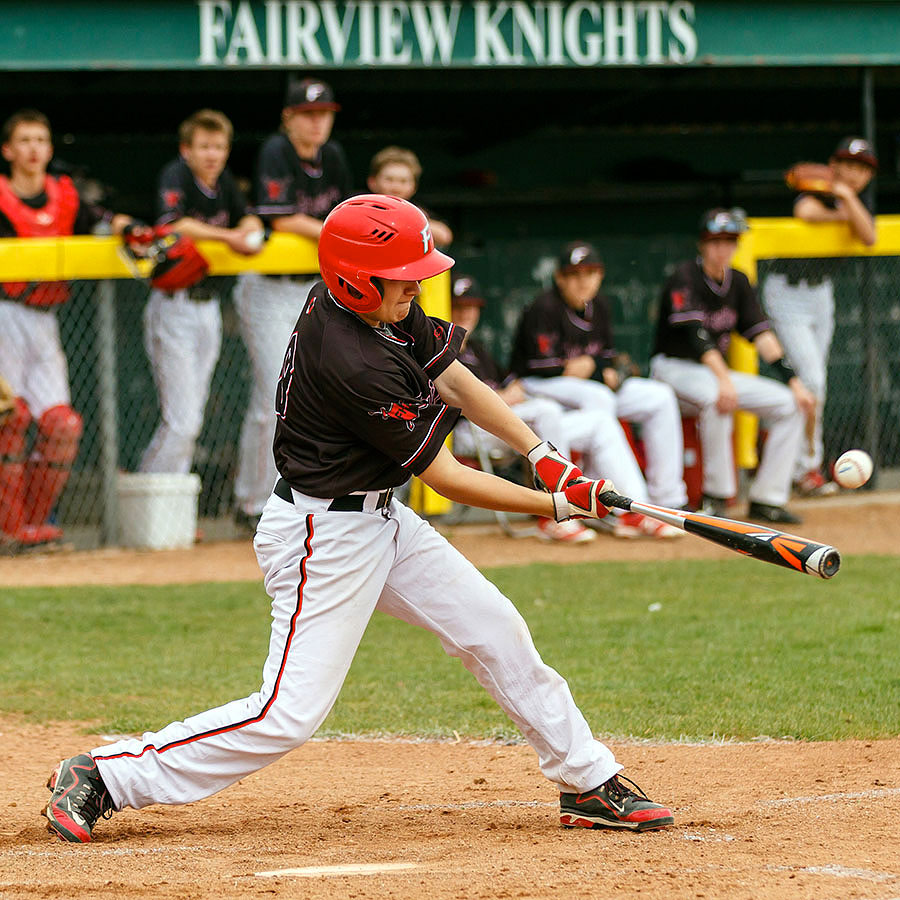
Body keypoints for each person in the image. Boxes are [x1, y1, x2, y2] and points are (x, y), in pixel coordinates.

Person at [42, 195, 673, 844]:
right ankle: (106, 774)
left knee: (496, 629)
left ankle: (587, 780)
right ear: (358, 277)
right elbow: (448, 477)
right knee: (287, 715)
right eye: (406, 274)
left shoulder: (377, 305)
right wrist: (558, 504)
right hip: (324, 536)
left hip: (379, 519)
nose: (419, 284)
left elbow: (455, 380)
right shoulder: (353, 359)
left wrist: (541, 455)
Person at [0, 109, 134, 551]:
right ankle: (9, 527)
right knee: (10, 419)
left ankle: (33, 527)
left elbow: (100, 218)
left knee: (61, 425)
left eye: (41, 139)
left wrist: (124, 225)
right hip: (4, 313)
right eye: (24, 140)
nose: (34, 148)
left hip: (46, 318)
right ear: (8, 151)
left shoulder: (65, 195)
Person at [233, 77, 353, 532]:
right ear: (289, 117)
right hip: (267, 287)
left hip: (312, 289)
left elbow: (342, 210)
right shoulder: (275, 151)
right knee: (271, 396)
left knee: (313, 395)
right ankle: (250, 502)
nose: (317, 122)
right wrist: (331, 229)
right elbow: (279, 216)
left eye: (324, 113)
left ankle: (300, 496)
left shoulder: (334, 156)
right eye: (308, 113)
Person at [509, 241, 686, 539]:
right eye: (575, 274)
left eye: (590, 273)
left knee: (659, 396)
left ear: (600, 276)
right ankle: (595, 488)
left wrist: (593, 364)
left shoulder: (599, 305)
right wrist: (583, 367)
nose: (583, 281)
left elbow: (606, 357)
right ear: (560, 278)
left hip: (582, 387)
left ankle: (665, 500)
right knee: (598, 397)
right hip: (537, 386)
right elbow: (540, 366)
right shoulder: (544, 308)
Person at [650, 208, 816, 524]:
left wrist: (794, 381)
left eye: (729, 241)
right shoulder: (684, 277)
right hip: (673, 369)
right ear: (703, 243)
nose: (723, 248)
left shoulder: (738, 281)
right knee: (719, 400)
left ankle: (768, 498)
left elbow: (762, 335)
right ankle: (716, 496)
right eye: (716, 241)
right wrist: (724, 379)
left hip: (712, 374)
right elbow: (697, 338)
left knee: (791, 404)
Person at [138, 109, 263, 476]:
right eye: (204, 146)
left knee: (192, 415)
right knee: (183, 420)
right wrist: (231, 237)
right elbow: (174, 224)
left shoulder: (224, 182)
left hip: (207, 308)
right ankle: (154, 497)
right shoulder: (175, 175)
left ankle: (171, 509)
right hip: (173, 306)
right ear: (186, 150)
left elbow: (250, 216)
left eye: (219, 147)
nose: (212, 154)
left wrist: (249, 228)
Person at [763, 137, 878, 497]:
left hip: (820, 294)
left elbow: (870, 236)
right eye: (847, 164)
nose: (853, 173)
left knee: (818, 384)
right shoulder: (820, 191)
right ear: (833, 164)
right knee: (810, 380)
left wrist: (847, 198)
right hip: (787, 290)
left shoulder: (851, 197)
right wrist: (842, 202)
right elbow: (805, 213)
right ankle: (806, 468)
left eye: (862, 168)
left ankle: (807, 465)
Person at [450, 273, 595, 543]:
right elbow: (459, 402)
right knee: (546, 411)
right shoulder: (442, 350)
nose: (466, 313)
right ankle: (558, 513)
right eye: (458, 306)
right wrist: (501, 397)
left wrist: (504, 395)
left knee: (594, 422)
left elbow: (513, 383)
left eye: (470, 306)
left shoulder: (477, 350)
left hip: (495, 428)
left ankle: (607, 508)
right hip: (465, 432)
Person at [367, 145, 453, 247]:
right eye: (389, 179)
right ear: (372, 182)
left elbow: (444, 236)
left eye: (403, 181)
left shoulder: (417, 211)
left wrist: (409, 221)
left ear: (414, 186)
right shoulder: (361, 207)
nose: (396, 187)